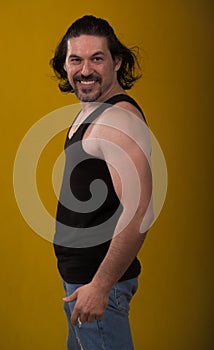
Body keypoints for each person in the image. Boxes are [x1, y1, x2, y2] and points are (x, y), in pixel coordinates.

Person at [50, 15, 153, 350]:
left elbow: (139, 214)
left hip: (99, 289)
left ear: (117, 61)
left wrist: (100, 286)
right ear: (64, 65)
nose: (85, 70)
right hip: (81, 284)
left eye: (97, 58)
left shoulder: (117, 121)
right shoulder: (94, 110)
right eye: (75, 59)